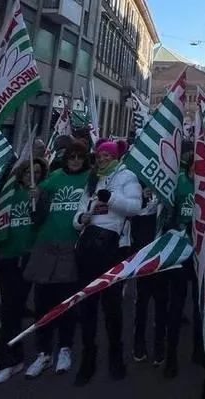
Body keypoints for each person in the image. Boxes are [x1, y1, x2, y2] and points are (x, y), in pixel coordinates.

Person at [71, 141, 142, 385]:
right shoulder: (93, 179)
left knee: (112, 307)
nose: (101, 159)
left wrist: (110, 199)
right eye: (99, 155)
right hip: (88, 247)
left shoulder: (127, 176)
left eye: (106, 155)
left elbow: (135, 208)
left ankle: (115, 356)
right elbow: (77, 215)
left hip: (113, 249)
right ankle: (88, 357)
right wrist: (81, 218)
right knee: (86, 305)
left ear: (114, 156)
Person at [22, 141, 91, 379]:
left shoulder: (89, 179)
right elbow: (38, 190)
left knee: (67, 302)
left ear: (84, 160)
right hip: (46, 244)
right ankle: (43, 352)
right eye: (71, 156)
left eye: (79, 157)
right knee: (42, 301)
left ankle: (65, 348)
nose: (74, 161)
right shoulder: (55, 176)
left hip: (71, 247)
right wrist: (35, 192)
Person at [0, 158, 48, 384]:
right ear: (21, 173)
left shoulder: (41, 193)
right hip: (6, 257)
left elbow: (42, 221)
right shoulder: (9, 193)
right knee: (9, 309)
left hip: (27, 258)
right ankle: (11, 356)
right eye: (28, 172)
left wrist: (38, 201)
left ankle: (8, 358)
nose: (31, 176)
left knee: (13, 309)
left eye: (36, 172)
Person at [159, 141, 202, 379]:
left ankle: (198, 348)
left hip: (199, 251)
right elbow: (167, 214)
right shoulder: (177, 182)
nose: (197, 170)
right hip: (178, 248)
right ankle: (171, 355)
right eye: (195, 166)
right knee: (175, 304)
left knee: (198, 304)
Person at [131, 182, 167, 366]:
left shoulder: (167, 192)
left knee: (161, 302)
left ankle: (160, 344)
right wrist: (143, 199)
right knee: (142, 302)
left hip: (163, 255)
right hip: (144, 255)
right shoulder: (137, 188)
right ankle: (139, 342)